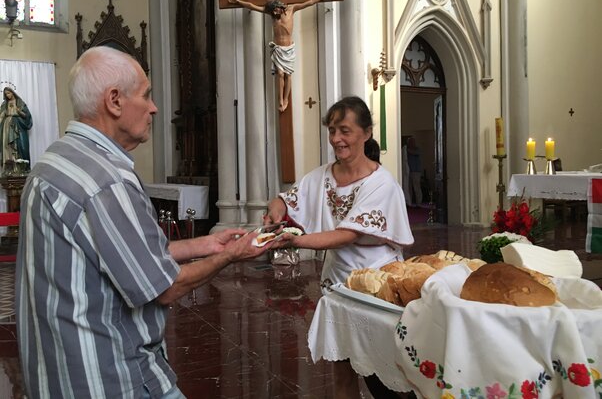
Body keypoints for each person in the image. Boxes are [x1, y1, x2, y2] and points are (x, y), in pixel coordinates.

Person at [15, 46, 289, 399]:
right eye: (146, 95)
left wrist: (205, 244)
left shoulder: (54, 161)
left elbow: (120, 253)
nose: (154, 108)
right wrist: (231, 255)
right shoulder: (106, 180)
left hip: (55, 368)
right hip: (108, 373)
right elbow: (163, 287)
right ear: (114, 100)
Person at [263, 96, 414, 398]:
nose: (336, 139)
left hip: (377, 288)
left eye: (345, 130)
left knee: (383, 370)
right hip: (337, 286)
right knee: (342, 365)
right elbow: (286, 198)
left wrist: (296, 240)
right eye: (332, 130)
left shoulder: (381, 183)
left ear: (366, 133)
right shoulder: (321, 176)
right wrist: (276, 210)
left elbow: (348, 235)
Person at [228, 0, 335, 112]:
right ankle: (280, 99)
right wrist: (238, 1)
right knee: (280, 74)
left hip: (288, 49)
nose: (274, 13)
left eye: (275, 10)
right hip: (278, 50)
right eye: (272, 12)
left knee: (288, 75)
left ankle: (286, 99)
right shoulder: (272, 14)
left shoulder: (292, 9)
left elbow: (310, 2)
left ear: (279, 6)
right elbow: (252, 6)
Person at [0, 86, 33, 170]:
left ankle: (20, 167)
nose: (8, 95)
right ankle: (9, 168)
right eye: (6, 94)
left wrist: (19, 111)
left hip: (18, 125)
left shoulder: (20, 102)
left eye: (9, 93)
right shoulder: (4, 104)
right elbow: (1, 116)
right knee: (7, 146)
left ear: (12, 92)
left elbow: (27, 116)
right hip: (7, 126)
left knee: (20, 145)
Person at [407, 135, 423, 206]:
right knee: (409, 188)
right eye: (409, 142)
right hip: (408, 171)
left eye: (412, 142)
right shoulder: (406, 151)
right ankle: (409, 202)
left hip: (416, 171)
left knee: (417, 187)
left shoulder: (417, 149)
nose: (411, 143)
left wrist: (407, 150)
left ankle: (419, 203)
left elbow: (414, 153)